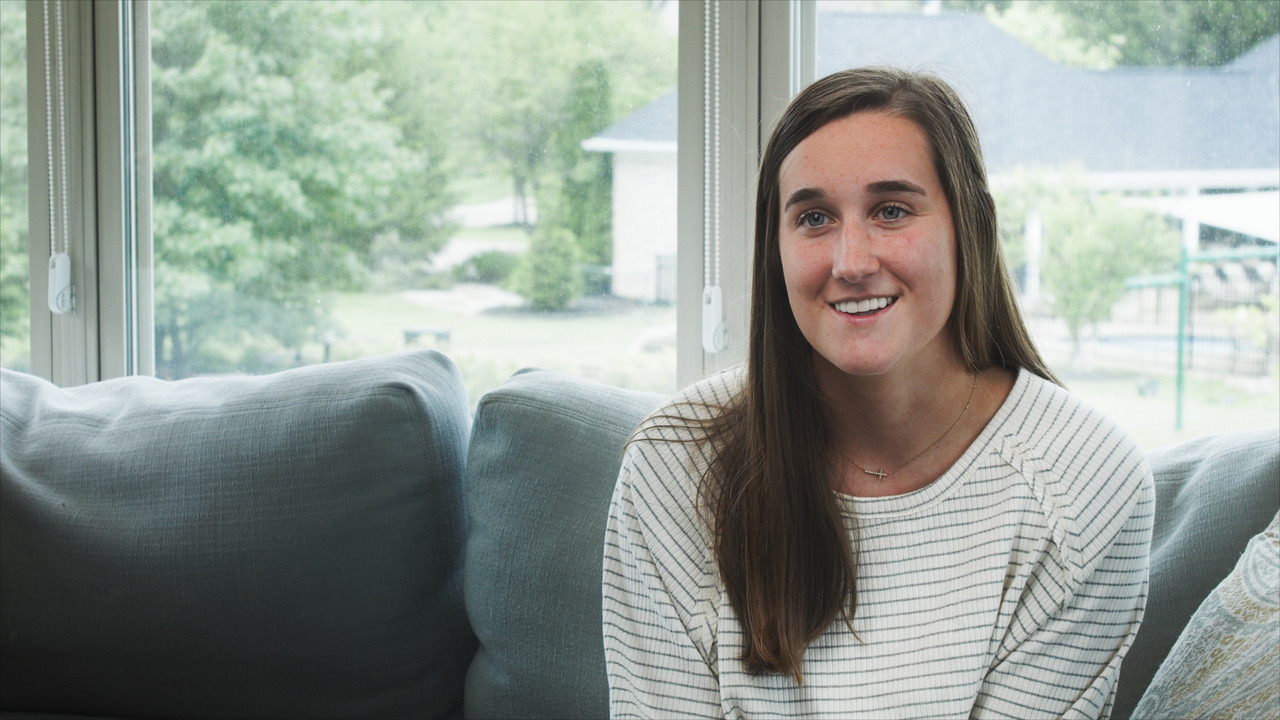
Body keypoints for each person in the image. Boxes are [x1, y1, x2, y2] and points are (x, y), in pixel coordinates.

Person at [602, 67, 1154, 719]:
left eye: (891, 210)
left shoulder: (1086, 483)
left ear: (967, 224)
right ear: (774, 250)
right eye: (813, 218)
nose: (852, 260)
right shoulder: (672, 465)